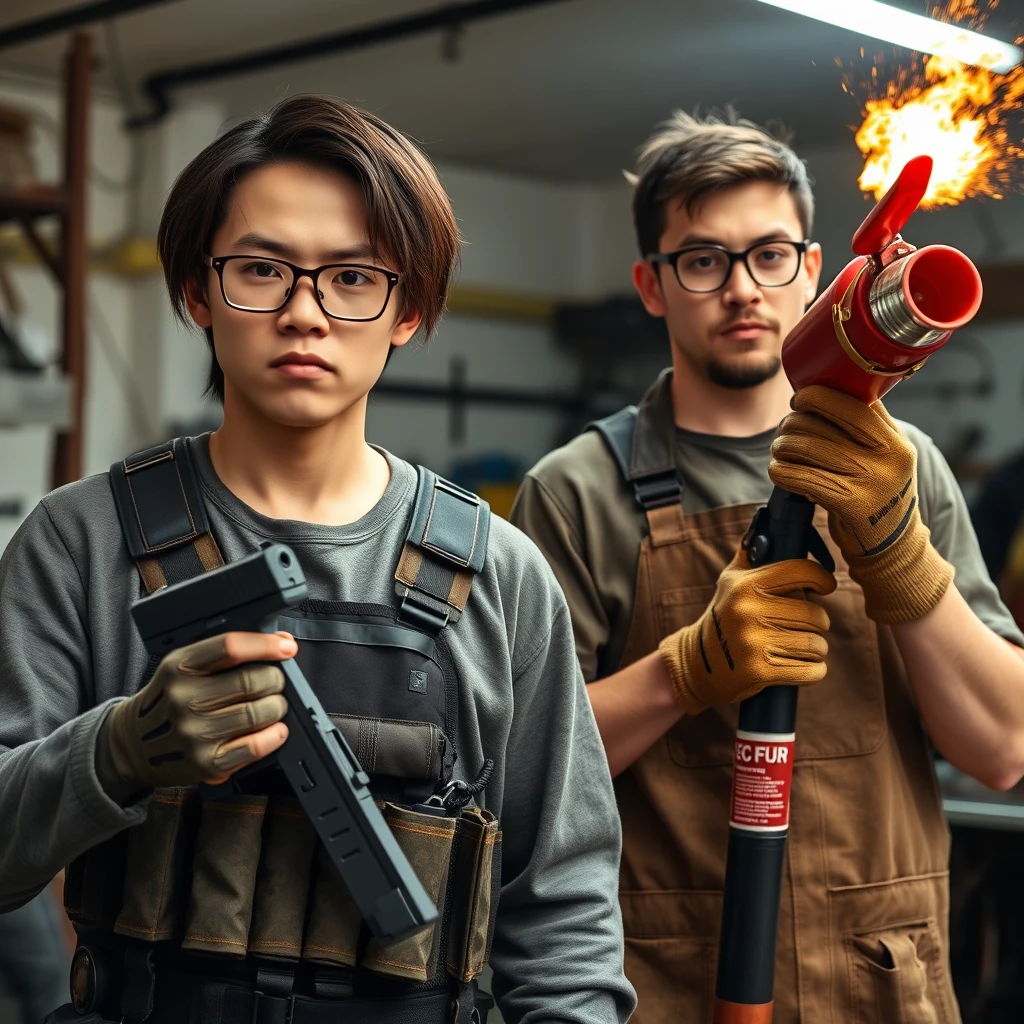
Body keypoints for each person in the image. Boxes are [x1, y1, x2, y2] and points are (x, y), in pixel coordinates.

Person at [0, 95, 634, 1024]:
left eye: (351, 277)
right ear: (196, 293)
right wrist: (122, 747)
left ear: (407, 308)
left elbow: (564, 913)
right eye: (261, 269)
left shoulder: (501, 573)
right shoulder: (80, 540)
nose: (305, 312)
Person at [510, 110, 1024, 1022]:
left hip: (881, 983)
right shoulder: (579, 490)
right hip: (673, 986)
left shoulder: (909, 469)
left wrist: (900, 555)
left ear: (815, 271)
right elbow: (521, 771)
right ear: (652, 285)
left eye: (771, 255)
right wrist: (684, 671)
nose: (743, 289)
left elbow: (1005, 749)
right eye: (703, 260)